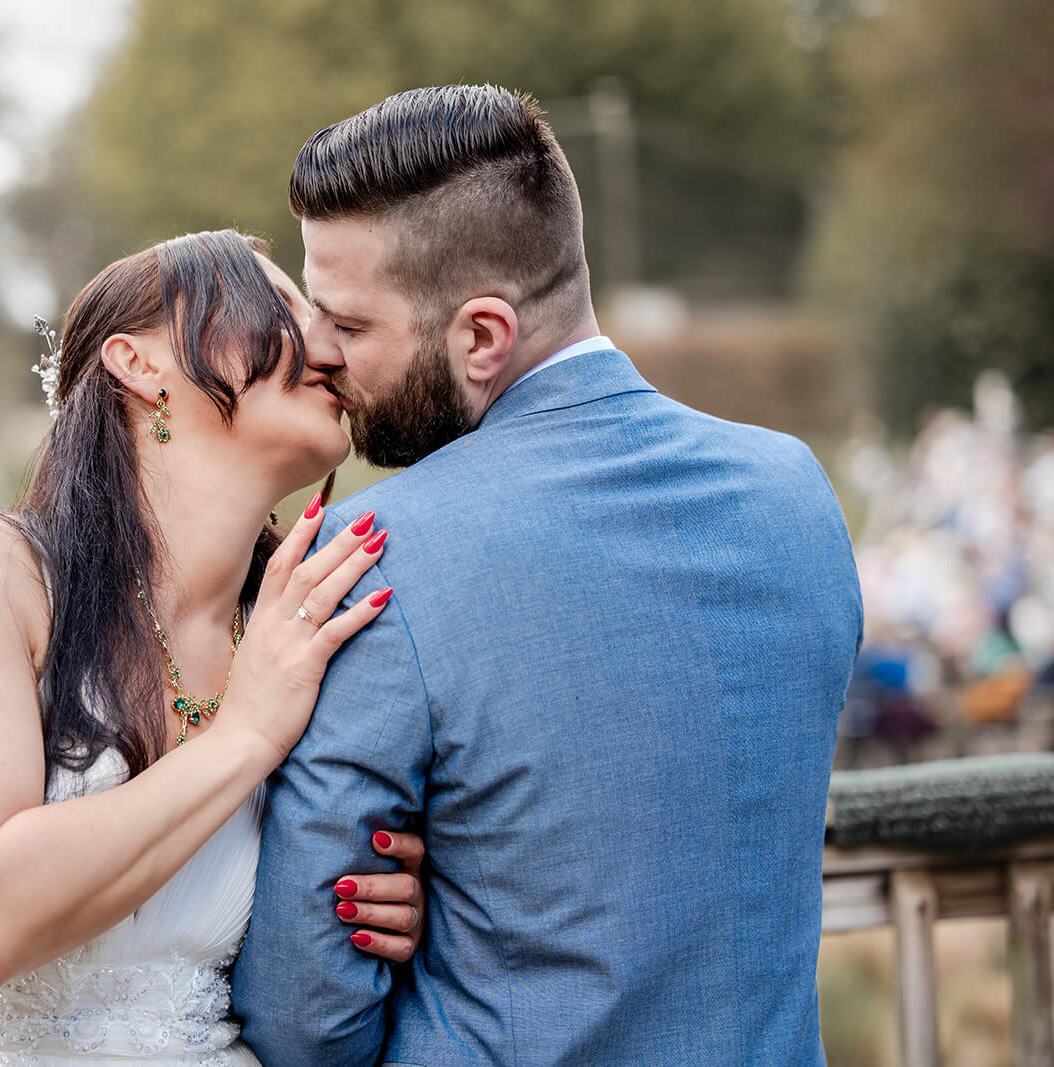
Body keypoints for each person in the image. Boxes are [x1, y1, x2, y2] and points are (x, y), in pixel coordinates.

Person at [231, 85, 863, 1065]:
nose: (319, 351)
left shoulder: (368, 549)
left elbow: (301, 1014)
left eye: (349, 325)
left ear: (479, 337)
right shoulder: (794, 493)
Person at [0, 230, 429, 1066]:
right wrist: (246, 736)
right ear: (138, 364)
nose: (325, 339)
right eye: (278, 306)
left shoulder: (291, 633)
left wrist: (371, 908)